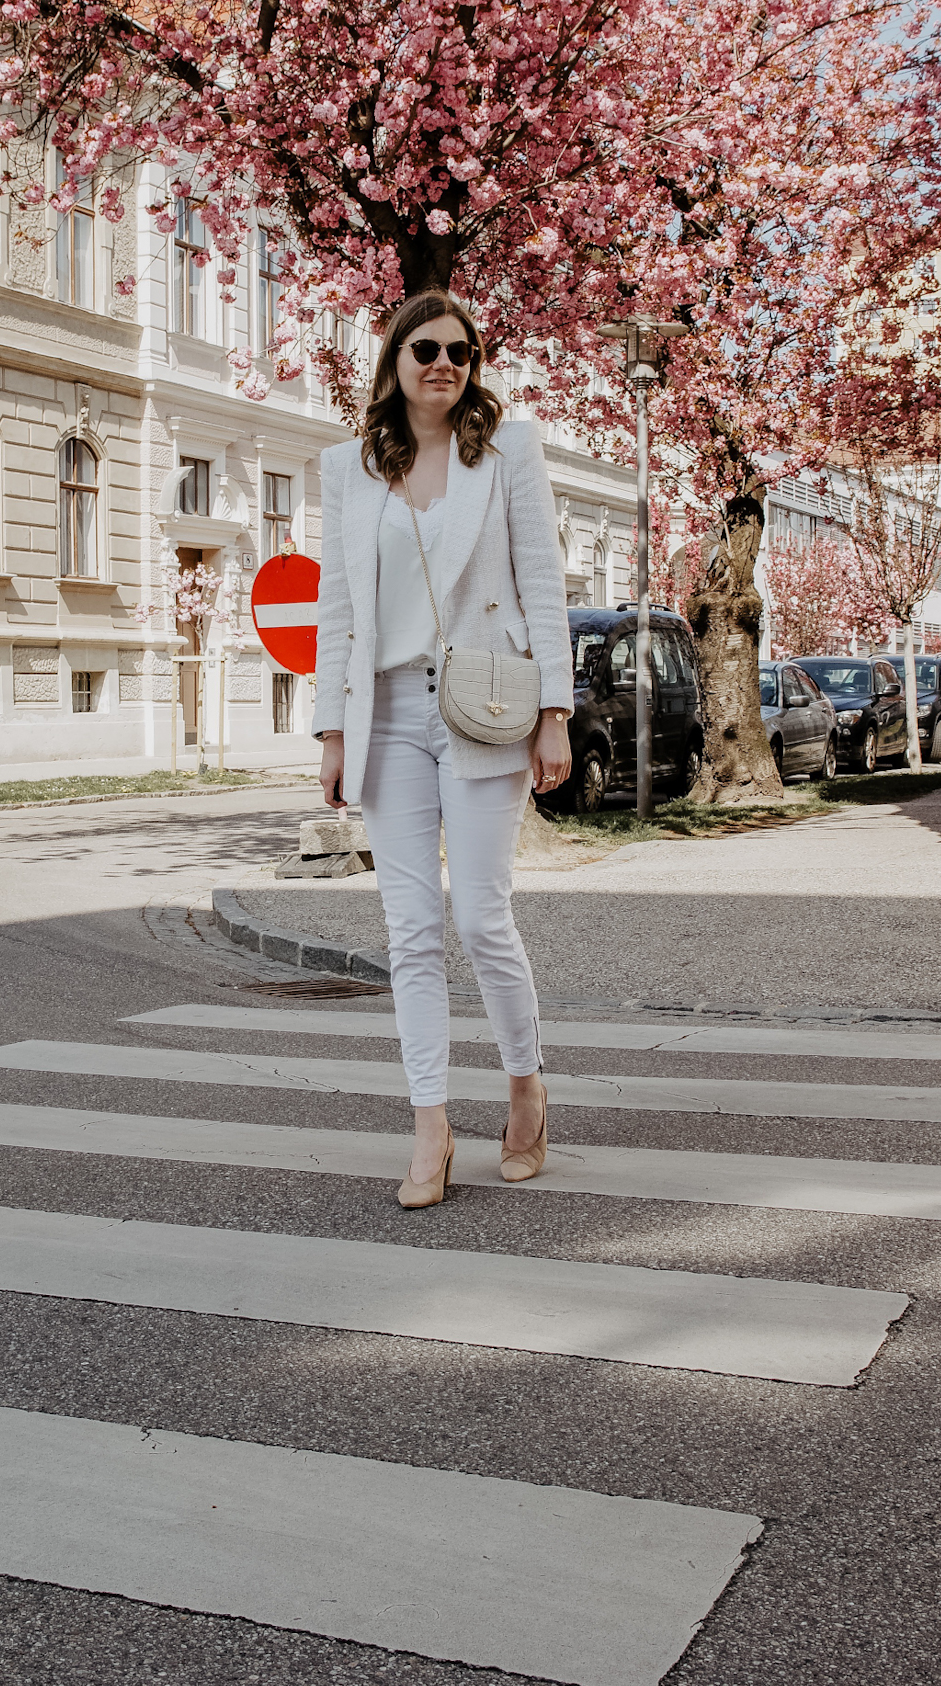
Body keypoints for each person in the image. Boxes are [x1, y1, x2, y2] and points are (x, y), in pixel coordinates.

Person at [313, 290, 575, 1208]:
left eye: (460, 353)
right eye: (424, 349)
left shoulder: (507, 455)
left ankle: (524, 1088)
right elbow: (336, 607)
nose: (443, 365)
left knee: (480, 918)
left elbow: (542, 584)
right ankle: (430, 1126)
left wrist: (555, 711)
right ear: (392, 359)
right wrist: (332, 732)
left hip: (481, 704)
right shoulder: (345, 467)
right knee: (409, 930)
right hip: (385, 713)